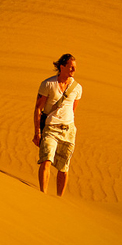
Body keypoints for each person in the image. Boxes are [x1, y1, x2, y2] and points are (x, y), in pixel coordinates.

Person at [32, 54, 82, 196]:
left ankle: (59, 199)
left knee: (64, 167)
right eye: (71, 67)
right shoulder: (48, 84)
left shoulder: (77, 88)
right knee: (46, 159)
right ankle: (43, 195)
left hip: (68, 130)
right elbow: (38, 108)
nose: (73, 70)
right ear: (62, 67)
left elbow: (73, 110)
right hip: (50, 128)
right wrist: (37, 132)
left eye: (75, 67)